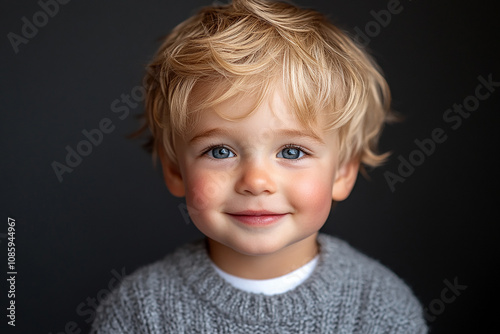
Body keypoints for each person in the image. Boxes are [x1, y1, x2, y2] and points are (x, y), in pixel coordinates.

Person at [91, 0, 427, 332]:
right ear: (175, 170)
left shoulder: (381, 308)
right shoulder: (138, 311)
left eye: (292, 152)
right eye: (220, 151)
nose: (256, 181)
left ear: (343, 172)